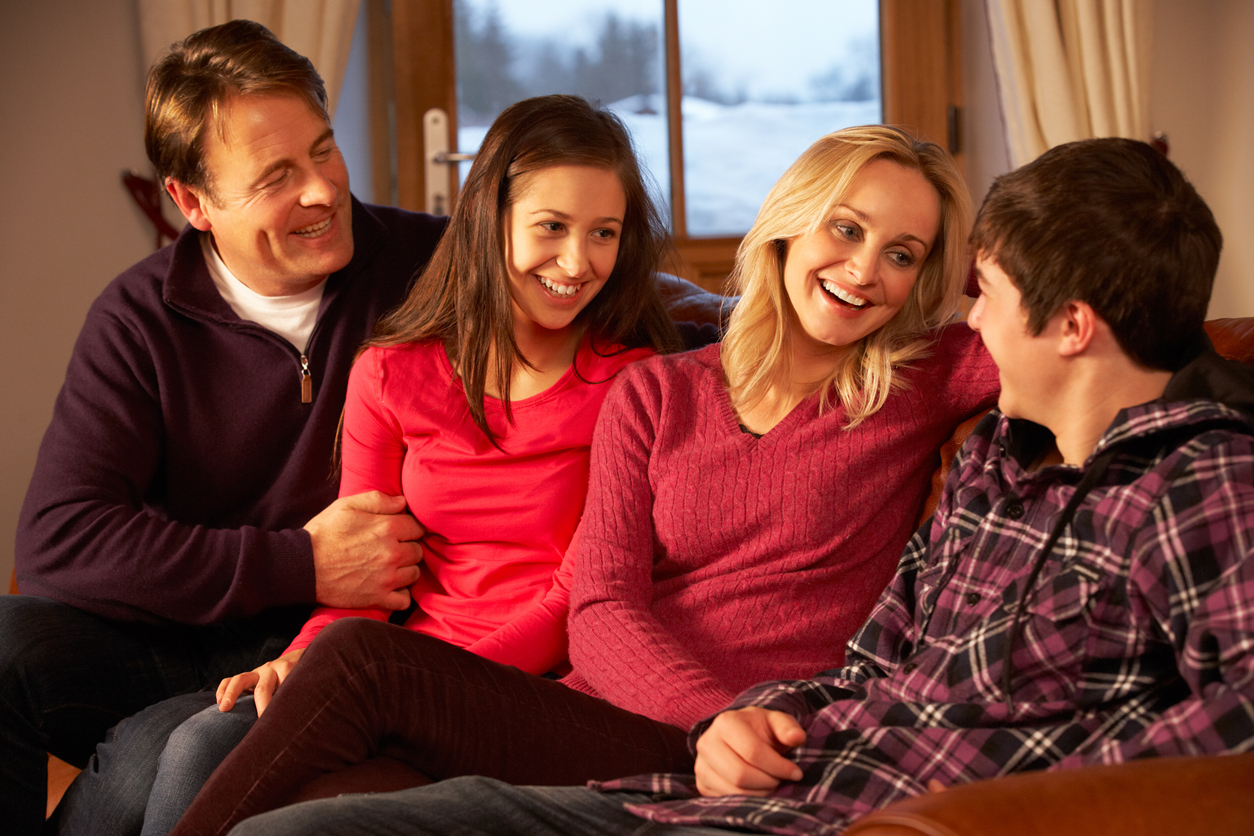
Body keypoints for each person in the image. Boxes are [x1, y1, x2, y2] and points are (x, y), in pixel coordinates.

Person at [225, 136, 1254, 836]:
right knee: (304, 778)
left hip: (791, 777)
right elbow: (611, 606)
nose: (875, 274)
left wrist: (1021, 767)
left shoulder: (942, 383)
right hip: (729, 748)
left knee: (347, 703)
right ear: (790, 224)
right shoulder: (667, 392)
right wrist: (743, 718)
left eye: (918, 260)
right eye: (846, 231)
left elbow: (1130, 346)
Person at [132, 91, 683, 836]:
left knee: (303, 810)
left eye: (604, 233)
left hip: (534, 684)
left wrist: (418, 688)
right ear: (491, 221)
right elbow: (365, 580)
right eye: (551, 227)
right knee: (203, 739)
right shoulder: (391, 371)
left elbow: (575, 600)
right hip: (386, 666)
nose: (577, 262)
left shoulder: (633, 386)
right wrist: (299, 659)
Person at [0, 20, 446, 836]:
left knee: (143, 768)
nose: (322, 189)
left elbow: (607, 298)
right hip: (186, 636)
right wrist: (301, 562)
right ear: (192, 202)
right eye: (277, 175)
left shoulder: (435, 268)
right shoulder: (139, 319)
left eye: (323, 148)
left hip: (347, 645)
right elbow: (59, 540)